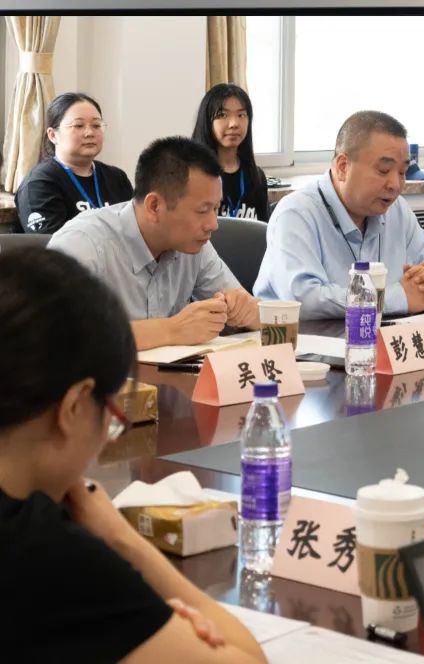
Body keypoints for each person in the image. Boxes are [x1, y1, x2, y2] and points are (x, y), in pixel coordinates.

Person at [0, 247, 266, 663]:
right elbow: (248, 659)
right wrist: (123, 541)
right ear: (74, 408)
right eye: (111, 414)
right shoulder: (51, 556)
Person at [49, 136, 260, 351]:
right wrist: (172, 330)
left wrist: (249, 311)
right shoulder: (83, 243)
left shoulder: (195, 245)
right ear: (154, 206)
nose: (213, 224)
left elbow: (250, 310)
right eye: (202, 211)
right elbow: (56, 336)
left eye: (215, 208)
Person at [254, 111, 424, 318]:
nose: (395, 185)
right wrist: (398, 298)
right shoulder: (296, 213)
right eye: (383, 170)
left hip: (384, 334)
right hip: (305, 337)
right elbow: (303, 298)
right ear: (343, 167)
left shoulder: (397, 210)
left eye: (402, 173)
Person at [15, 92, 133, 234]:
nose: (89, 133)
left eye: (96, 125)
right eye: (78, 125)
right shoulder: (39, 184)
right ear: (53, 135)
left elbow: (135, 231)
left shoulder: (117, 178)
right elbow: (51, 244)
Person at [192, 83, 269, 221]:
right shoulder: (193, 176)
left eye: (241, 115)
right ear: (207, 121)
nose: (234, 123)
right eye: (222, 115)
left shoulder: (256, 176)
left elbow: (265, 229)